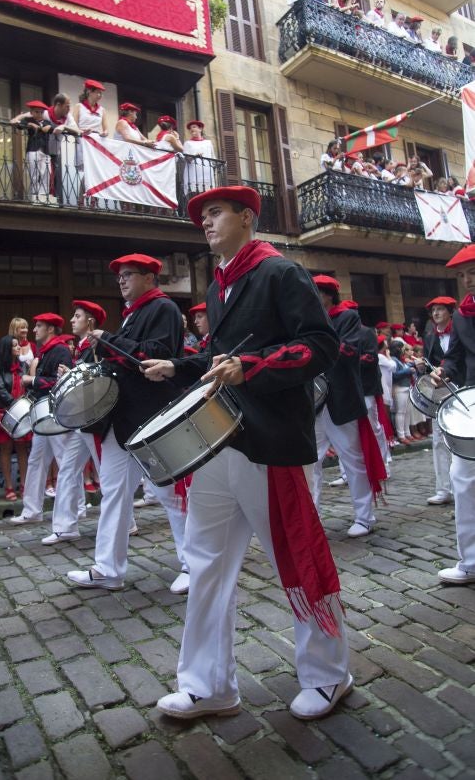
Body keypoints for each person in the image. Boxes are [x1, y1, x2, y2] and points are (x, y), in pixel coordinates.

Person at [142, 186, 350, 721]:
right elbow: (219, 357)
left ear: (246, 217)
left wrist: (254, 367)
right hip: (218, 443)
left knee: (296, 555)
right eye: (202, 216)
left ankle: (330, 676)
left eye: (214, 213)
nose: (205, 223)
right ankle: (208, 684)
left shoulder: (281, 272)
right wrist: (180, 367)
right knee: (206, 562)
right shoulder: (220, 285)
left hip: (272, 443)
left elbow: (319, 345)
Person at [66, 253, 189, 594]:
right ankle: (108, 568)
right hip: (123, 419)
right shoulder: (135, 313)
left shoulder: (162, 308)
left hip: (150, 417)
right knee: (115, 494)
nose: (121, 280)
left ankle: (194, 564)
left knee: (169, 492)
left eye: (129, 274)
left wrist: (107, 339)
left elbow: (152, 354)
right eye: (120, 275)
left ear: (150, 278)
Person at [310, 278, 386, 536]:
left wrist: (320, 341)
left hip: (341, 399)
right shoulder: (307, 317)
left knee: (352, 459)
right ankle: (312, 517)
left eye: (317, 293)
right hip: (313, 401)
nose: (313, 297)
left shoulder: (347, 318)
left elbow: (350, 352)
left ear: (329, 295)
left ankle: (364, 517)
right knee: (311, 462)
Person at [38, 300, 108, 545]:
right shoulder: (82, 347)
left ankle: (125, 521)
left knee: (106, 472)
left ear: (90, 321)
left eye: (77, 316)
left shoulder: (97, 345)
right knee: (68, 469)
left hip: (94, 419)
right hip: (82, 419)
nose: (71, 320)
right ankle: (65, 526)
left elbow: (101, 379)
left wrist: (72, 376)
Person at [431, 245, 475, 583]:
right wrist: (444, 371)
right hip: (471, 401)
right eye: (461, 275)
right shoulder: (461, 315)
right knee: (462, 477)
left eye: (472, 271)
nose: (466, 280)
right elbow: (456, 358)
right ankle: (471, 562)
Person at [10, 313, 73, 526]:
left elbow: (59, 382)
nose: (34, 330)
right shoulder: (45, 351)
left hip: (56, 415)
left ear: (50, 330)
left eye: (38, 326)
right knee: (36, 461)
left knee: (65, 462)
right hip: (42, 415)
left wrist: (32, 379)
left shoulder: (61, 350)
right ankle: (31, 510)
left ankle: (77, 508)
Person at [422, 296, 456, 504]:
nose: (436, 314)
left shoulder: (462, 331)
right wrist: (422, 368)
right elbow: (429, 363)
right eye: (433, 310)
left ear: (450, 312)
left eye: (440, 309)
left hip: (461, 387)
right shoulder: (429, 337)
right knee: (438, 440)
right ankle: (443, 489)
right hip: (439, 391)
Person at [0, 335, 30, 501]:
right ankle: (8, 486)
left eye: (18, 344)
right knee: (5, 449)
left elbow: (28, 386)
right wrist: (16, 406)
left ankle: (25, 485)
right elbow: (0, 390)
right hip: (5, 412)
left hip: (22, 411)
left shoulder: (23, 366)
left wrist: (25, 405)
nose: (18, 347)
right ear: (7, 349)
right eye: (14, 345)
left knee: (22, 449)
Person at [11, 100, 52, 203]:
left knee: (46, 172)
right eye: (37, 112)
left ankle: (43, 194)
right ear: (32, 112)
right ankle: (34, 194)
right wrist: (25, 119)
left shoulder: (47, 122)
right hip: (33, 149)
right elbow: (13, 122)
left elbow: (51, 129)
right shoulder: (28, 120)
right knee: (34, 173)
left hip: (45, 151)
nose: (39, 114)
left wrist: (43, 127)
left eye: (41, 112)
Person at [182, 120, 215, 195]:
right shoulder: (187, 143)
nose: (191, 129)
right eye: (190, 128)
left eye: (194, 127)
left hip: (207, 174)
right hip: (193, 175)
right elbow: (187, 159)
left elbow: (213, 158)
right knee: (195, 195)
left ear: (200, 129)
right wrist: (194, 157)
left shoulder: (208, 143)